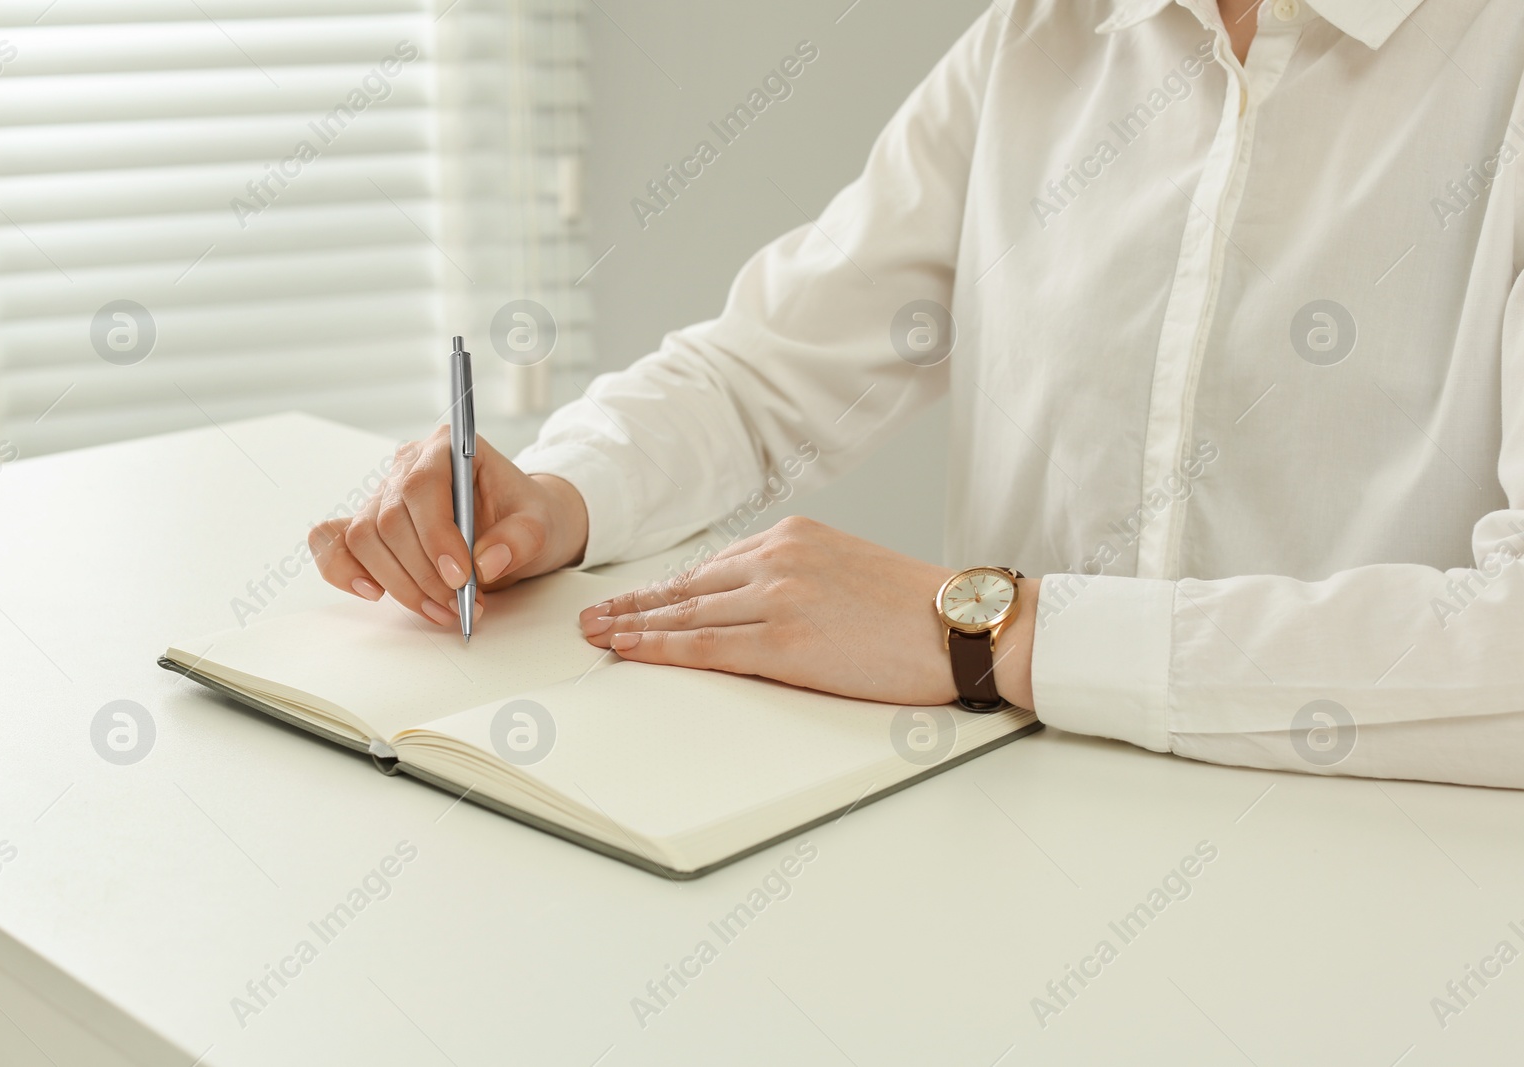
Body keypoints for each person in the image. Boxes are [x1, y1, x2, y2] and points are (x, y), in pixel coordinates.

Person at [311, 0, 1524, 788]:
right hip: (1013, 858)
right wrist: (557, 493)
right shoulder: (1041, 38)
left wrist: (990, 633)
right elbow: (761, 374)